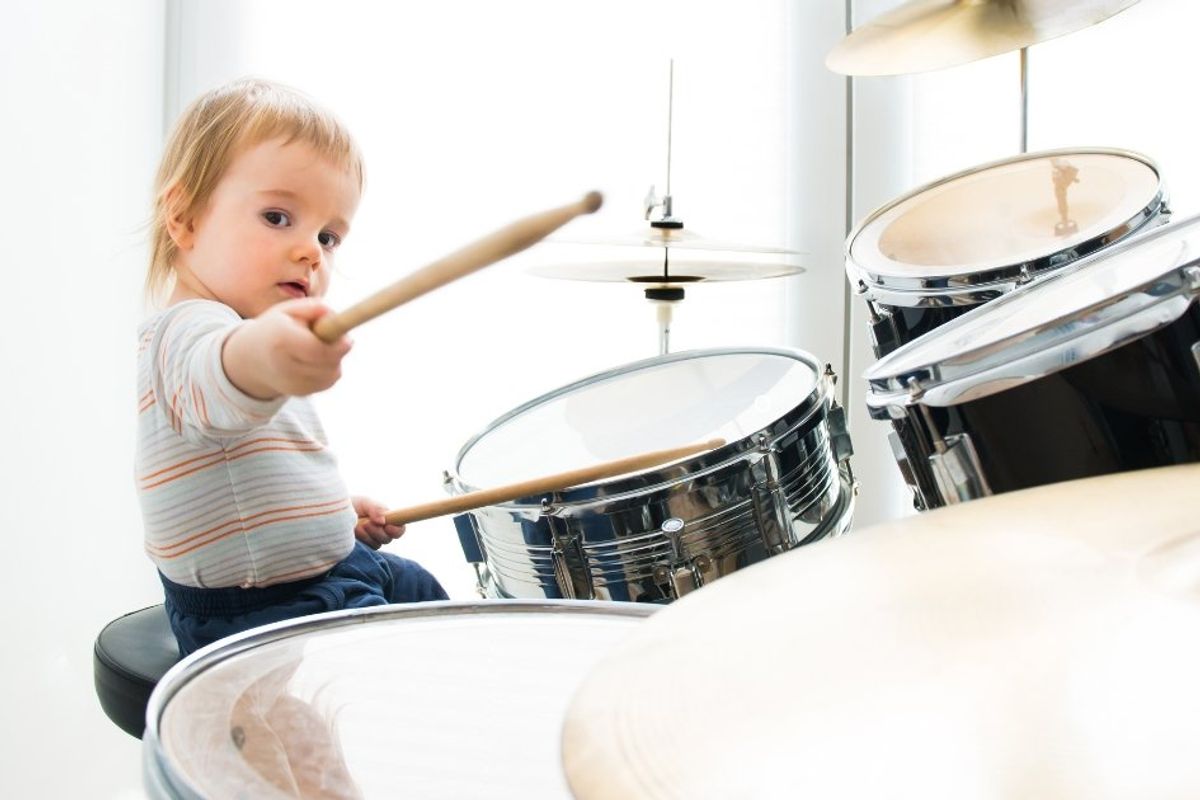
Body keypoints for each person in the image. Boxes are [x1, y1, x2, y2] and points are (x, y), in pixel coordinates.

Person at [137, 78, 447, 657]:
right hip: (261, 610)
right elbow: (222, 377)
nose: (311, 250)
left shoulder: (249, 326)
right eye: (278, 217)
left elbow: (257, 479)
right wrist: (266, 357)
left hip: (332, 568)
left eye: (328, 236)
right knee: (398, 690)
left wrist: (336, 515)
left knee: (436, 610)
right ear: (183, 218)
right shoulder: (187, 332)